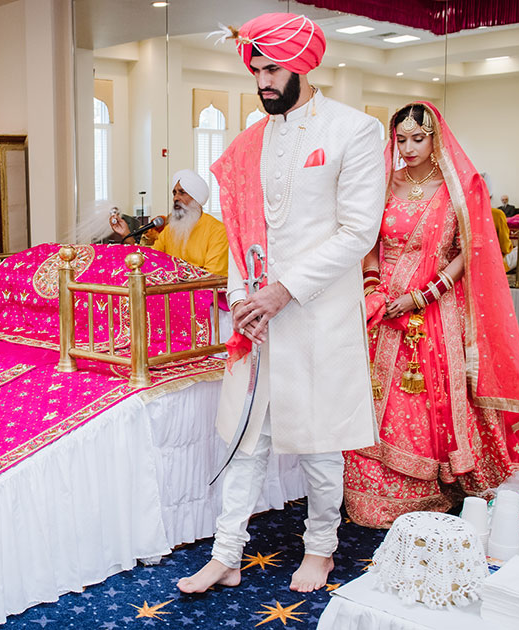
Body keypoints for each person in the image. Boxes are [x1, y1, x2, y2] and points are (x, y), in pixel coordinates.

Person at [176, 13, 385, 595]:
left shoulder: (354, 130)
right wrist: (242, 297)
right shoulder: (250, 142)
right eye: (256, 70)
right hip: (257, 317)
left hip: (316, 313)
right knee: (245, 438)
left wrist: (282, 290)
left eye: (273, 69)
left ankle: (320, 549)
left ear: (304, 63)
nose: (263, 81)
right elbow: (241, 231)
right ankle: (226, 553)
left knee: (319, 443)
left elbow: (357, 232)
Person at [344, 102, 519, 529]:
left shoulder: (457, 187)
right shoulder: (382, 182)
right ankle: (370, 489)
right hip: (381, 306)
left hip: (432, 309)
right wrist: (374, 286)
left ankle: (430, 484)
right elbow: (369, 241)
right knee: (372, 396)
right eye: (401, 139)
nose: (409, 147)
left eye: (418, 138)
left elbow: (469, 251)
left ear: (435, 138)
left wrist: (423, 295)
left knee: (421, 399)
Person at [109, 170, 230, 276]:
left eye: (182, 192)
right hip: (171, 293)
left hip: (204, 297)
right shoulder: (170, 230)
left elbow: (213, 277)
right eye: (174, 193)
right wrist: (126, 236)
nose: (176, 198)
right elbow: (150, 259)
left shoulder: (218, 231)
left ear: (196, 198)